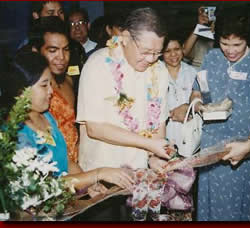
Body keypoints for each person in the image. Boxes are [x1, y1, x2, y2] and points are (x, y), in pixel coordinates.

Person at [76, 7, 171, 220]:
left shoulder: (160, 71)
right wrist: (149, 145)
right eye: (146, 51)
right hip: (101, 180)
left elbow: (158, 123)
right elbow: (95, 127)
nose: (151, 59)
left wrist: (156, 155)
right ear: (125, 37)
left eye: (158, 53)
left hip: (140, 179)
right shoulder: (98, 65)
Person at [5, 51, 134, 194]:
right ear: (21, 91)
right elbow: (44, 185)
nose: (51, 91)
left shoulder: (47, 117)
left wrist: (87, 184)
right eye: (44, 85)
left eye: (50, 84)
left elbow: (67, 162)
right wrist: (98, 174)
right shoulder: (14, 135)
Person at [189, 14, 250, 221]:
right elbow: (198, 91)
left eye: (238, 44)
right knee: (213, 205)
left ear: (248, 40)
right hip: (212, 144)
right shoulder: (211, 57)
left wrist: (249, 143)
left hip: (243, 146)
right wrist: (199, 105)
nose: (231, 50)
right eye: (225, 43)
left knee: (240, 208)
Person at [24, 16, 79, 163]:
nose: (61, 57)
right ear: (36, 51)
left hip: (76, 167)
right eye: (53, 50)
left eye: (66, 49)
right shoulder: (30, 92)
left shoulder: (68, 80)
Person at [162, 33, 197, 156]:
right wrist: (171, 114)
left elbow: (203, 102)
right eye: (167, 51)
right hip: (163, 134)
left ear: (182, 48)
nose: (173, 55)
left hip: (190, 135)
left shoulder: (193, 73)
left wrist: (189, 108)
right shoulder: (155, 74)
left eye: (176, 49)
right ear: (161, 53)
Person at [183, 6, 215, 70]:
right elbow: (184, 52)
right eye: (204, 12)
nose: (206, 17)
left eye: (210, 13)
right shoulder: (195, 42)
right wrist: (199, 25)